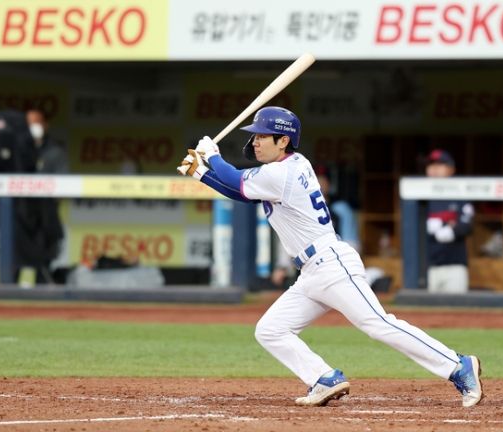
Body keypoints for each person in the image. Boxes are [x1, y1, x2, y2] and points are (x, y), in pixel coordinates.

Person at [178, 106, 483, 408]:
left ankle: (458, 366)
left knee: (378, 324)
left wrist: (213, 156)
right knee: (271, 330)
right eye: (255, 136)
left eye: (262, 136)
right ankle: (323, 378)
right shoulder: (292, 165)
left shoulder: (280, 172)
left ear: (283, 141)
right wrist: (201, 172)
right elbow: (242, 194)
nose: (255, 142)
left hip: (331, 263)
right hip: (312, 271)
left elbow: (236, 180)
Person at [14, 109, 68, 284]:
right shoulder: (17, 151)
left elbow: (62, 188)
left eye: (36, 123)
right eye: (29, 124)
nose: (33, 127)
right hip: (20, 218)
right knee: (13, 264)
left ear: (45, 125)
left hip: (44, 219)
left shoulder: (54, 152)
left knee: (42, 270)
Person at [425, 149, 474, 294]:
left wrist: (451, 229)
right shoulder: (420, 197)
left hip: (455, 265)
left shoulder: (460, 194)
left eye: (440, 165)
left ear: (451, 169)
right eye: (431, 165)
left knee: (456, 305)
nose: (434, 169)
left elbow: (467, 225)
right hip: (427, 266)